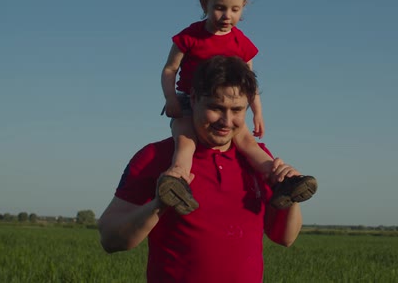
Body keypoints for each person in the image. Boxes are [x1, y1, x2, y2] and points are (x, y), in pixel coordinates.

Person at [99, 56, 307, 282]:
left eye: (237, 110)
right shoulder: (154, 157)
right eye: (216, 108)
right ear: (194, 99)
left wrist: (291, 194)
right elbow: (110, 239)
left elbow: (285, 238)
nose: (226, 121)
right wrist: (159, 205)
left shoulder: (259, 160)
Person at [159, 0, 316, 214]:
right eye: (219, 7)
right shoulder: (190, 36)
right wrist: (170, 99)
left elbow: (250, 84)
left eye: (235, 9)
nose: (226, 15)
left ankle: (283, 183)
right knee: (185, 141)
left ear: (244, 7)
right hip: (190, 104)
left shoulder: (241, 43)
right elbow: (170, 69)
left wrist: (258, 114)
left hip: (229, 108)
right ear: (204, 4)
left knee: (249, 144)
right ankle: (177, 182)